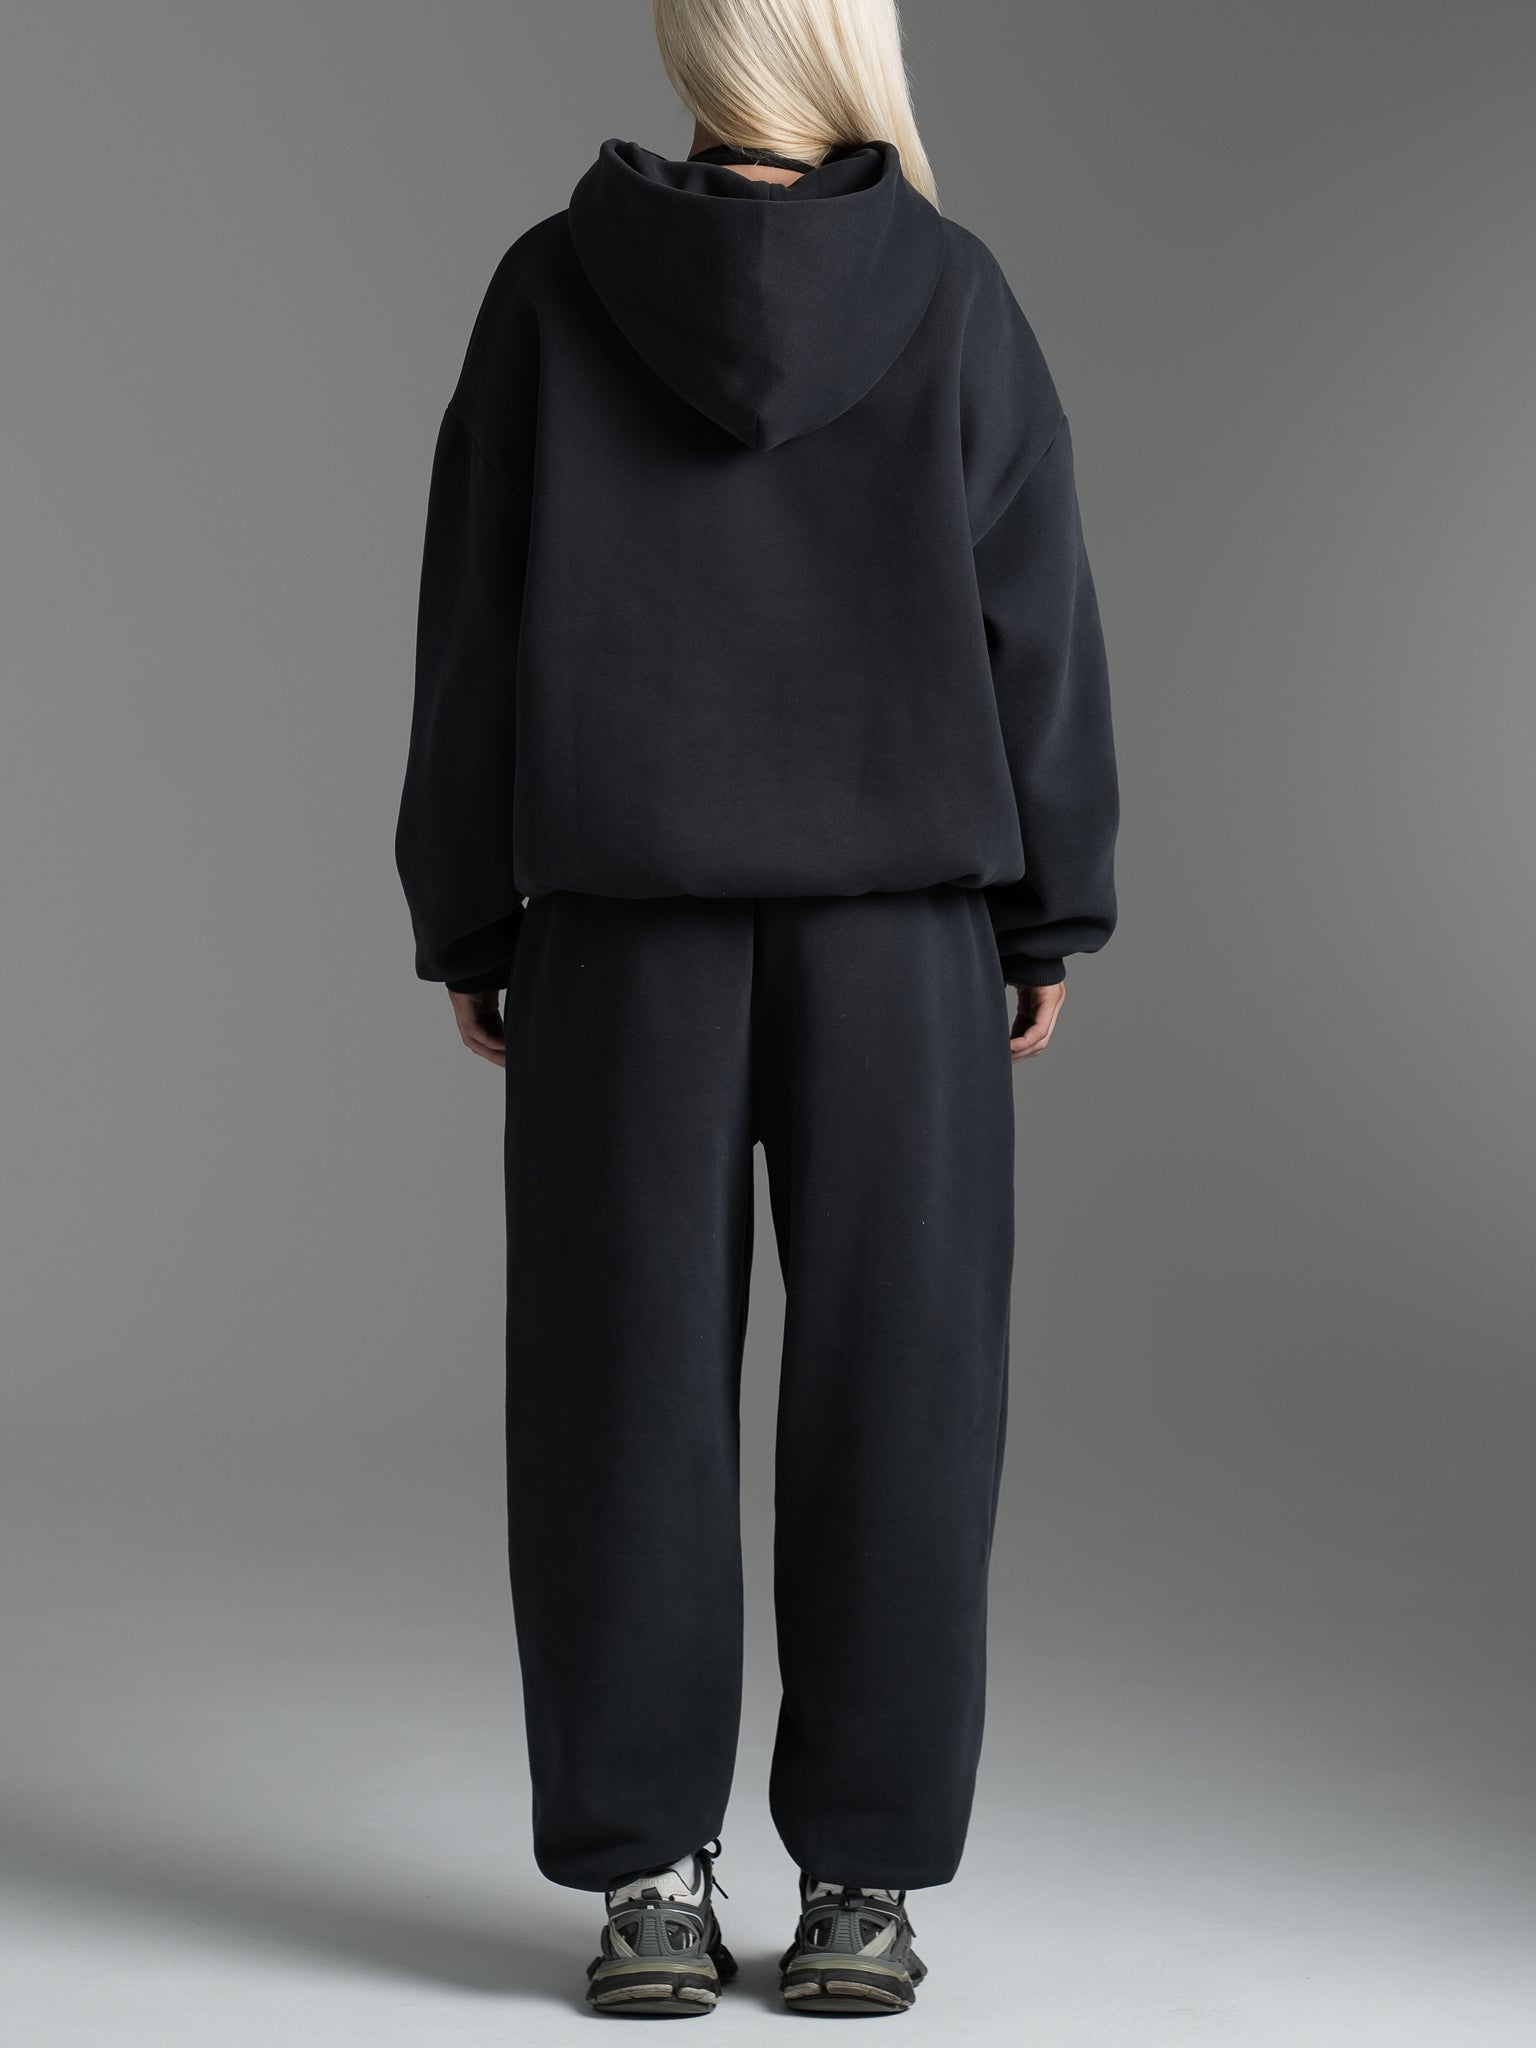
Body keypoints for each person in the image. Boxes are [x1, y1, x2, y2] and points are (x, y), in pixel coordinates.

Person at [394, 0, 1118, 2017]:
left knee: (617, 1392)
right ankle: (863, 1886)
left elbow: (474, 616)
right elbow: (1039, 618)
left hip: (623, 930)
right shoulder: (951, 292)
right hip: (903, 936)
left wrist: (471, 913)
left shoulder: (553, 291)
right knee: (905, 1389)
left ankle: (645, 1882)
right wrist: (1046, 913)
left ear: (693, 48)